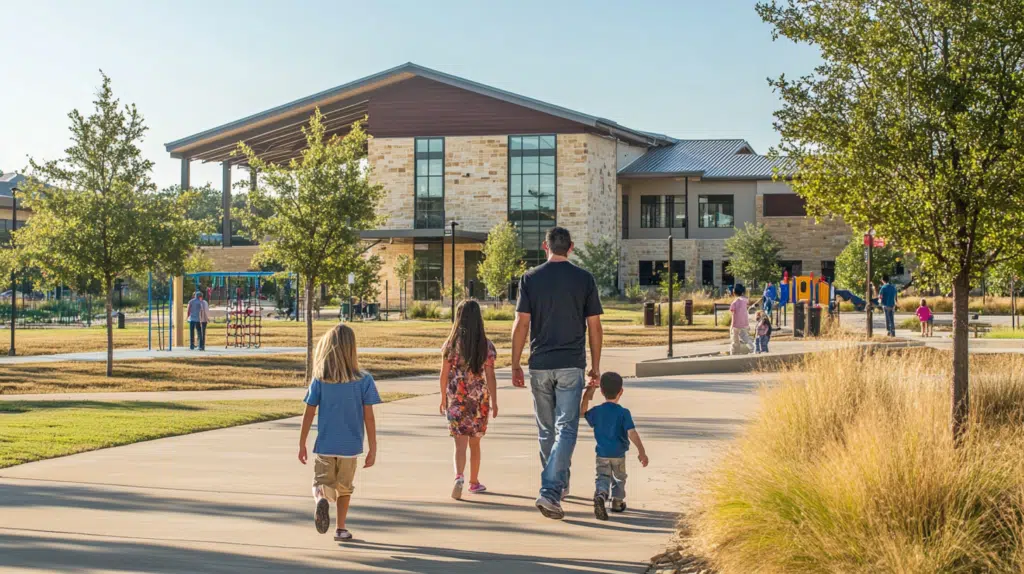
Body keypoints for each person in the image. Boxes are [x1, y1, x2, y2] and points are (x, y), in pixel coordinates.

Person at [512, 226, 604, 520]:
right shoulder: (584, 279)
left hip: (540, 364)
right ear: (572, 247)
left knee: (547, 430)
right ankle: (552, 490)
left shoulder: (530, 278)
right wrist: (596, 367)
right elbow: (595, 326)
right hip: (570, 364)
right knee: (567, 429)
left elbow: (521, 324)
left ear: (545, 246)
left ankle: (555, 487)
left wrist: (515, 363)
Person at [298, 324, 381, 542]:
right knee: (345, 489)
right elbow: (369, 418)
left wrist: (302, 443)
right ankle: (341, 529)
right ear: (352, 349)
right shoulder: (364, 380)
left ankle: (320, 501)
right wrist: (373, 448)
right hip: (350, 447)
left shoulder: (319, 379)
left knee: (320, 484)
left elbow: (308, 413)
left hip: (326, 445)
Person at [439, 299, 498, 500]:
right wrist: (495, 401)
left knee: (459, 445)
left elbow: (444, 374)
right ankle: (474, 482)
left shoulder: (451, 345)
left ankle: (458, 476)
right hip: (479, 401)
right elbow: (490, 376)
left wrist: (442, 398)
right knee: (475, 444)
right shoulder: (486, 346)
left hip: (456, 399)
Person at [581, 372, 648, 521]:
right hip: (618, 454)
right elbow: (632, 433)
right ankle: (617, 502)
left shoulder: (597, 411)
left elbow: (582, 412)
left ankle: (601, 494)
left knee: (602, 477)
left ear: (602, 391)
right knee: (619, 478)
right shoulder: (624, 413)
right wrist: (641, 452)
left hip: (602, 453)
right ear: (621, 391)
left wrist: (588, 393)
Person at [729, 284, 754, 355]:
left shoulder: (734, 302)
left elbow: (732, 311)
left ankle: (733, 353)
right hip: (744, 324)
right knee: (746, 338)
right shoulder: (745, 300)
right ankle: (753, 348)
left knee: (734, 340)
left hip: (735, 325)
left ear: (734, 292)